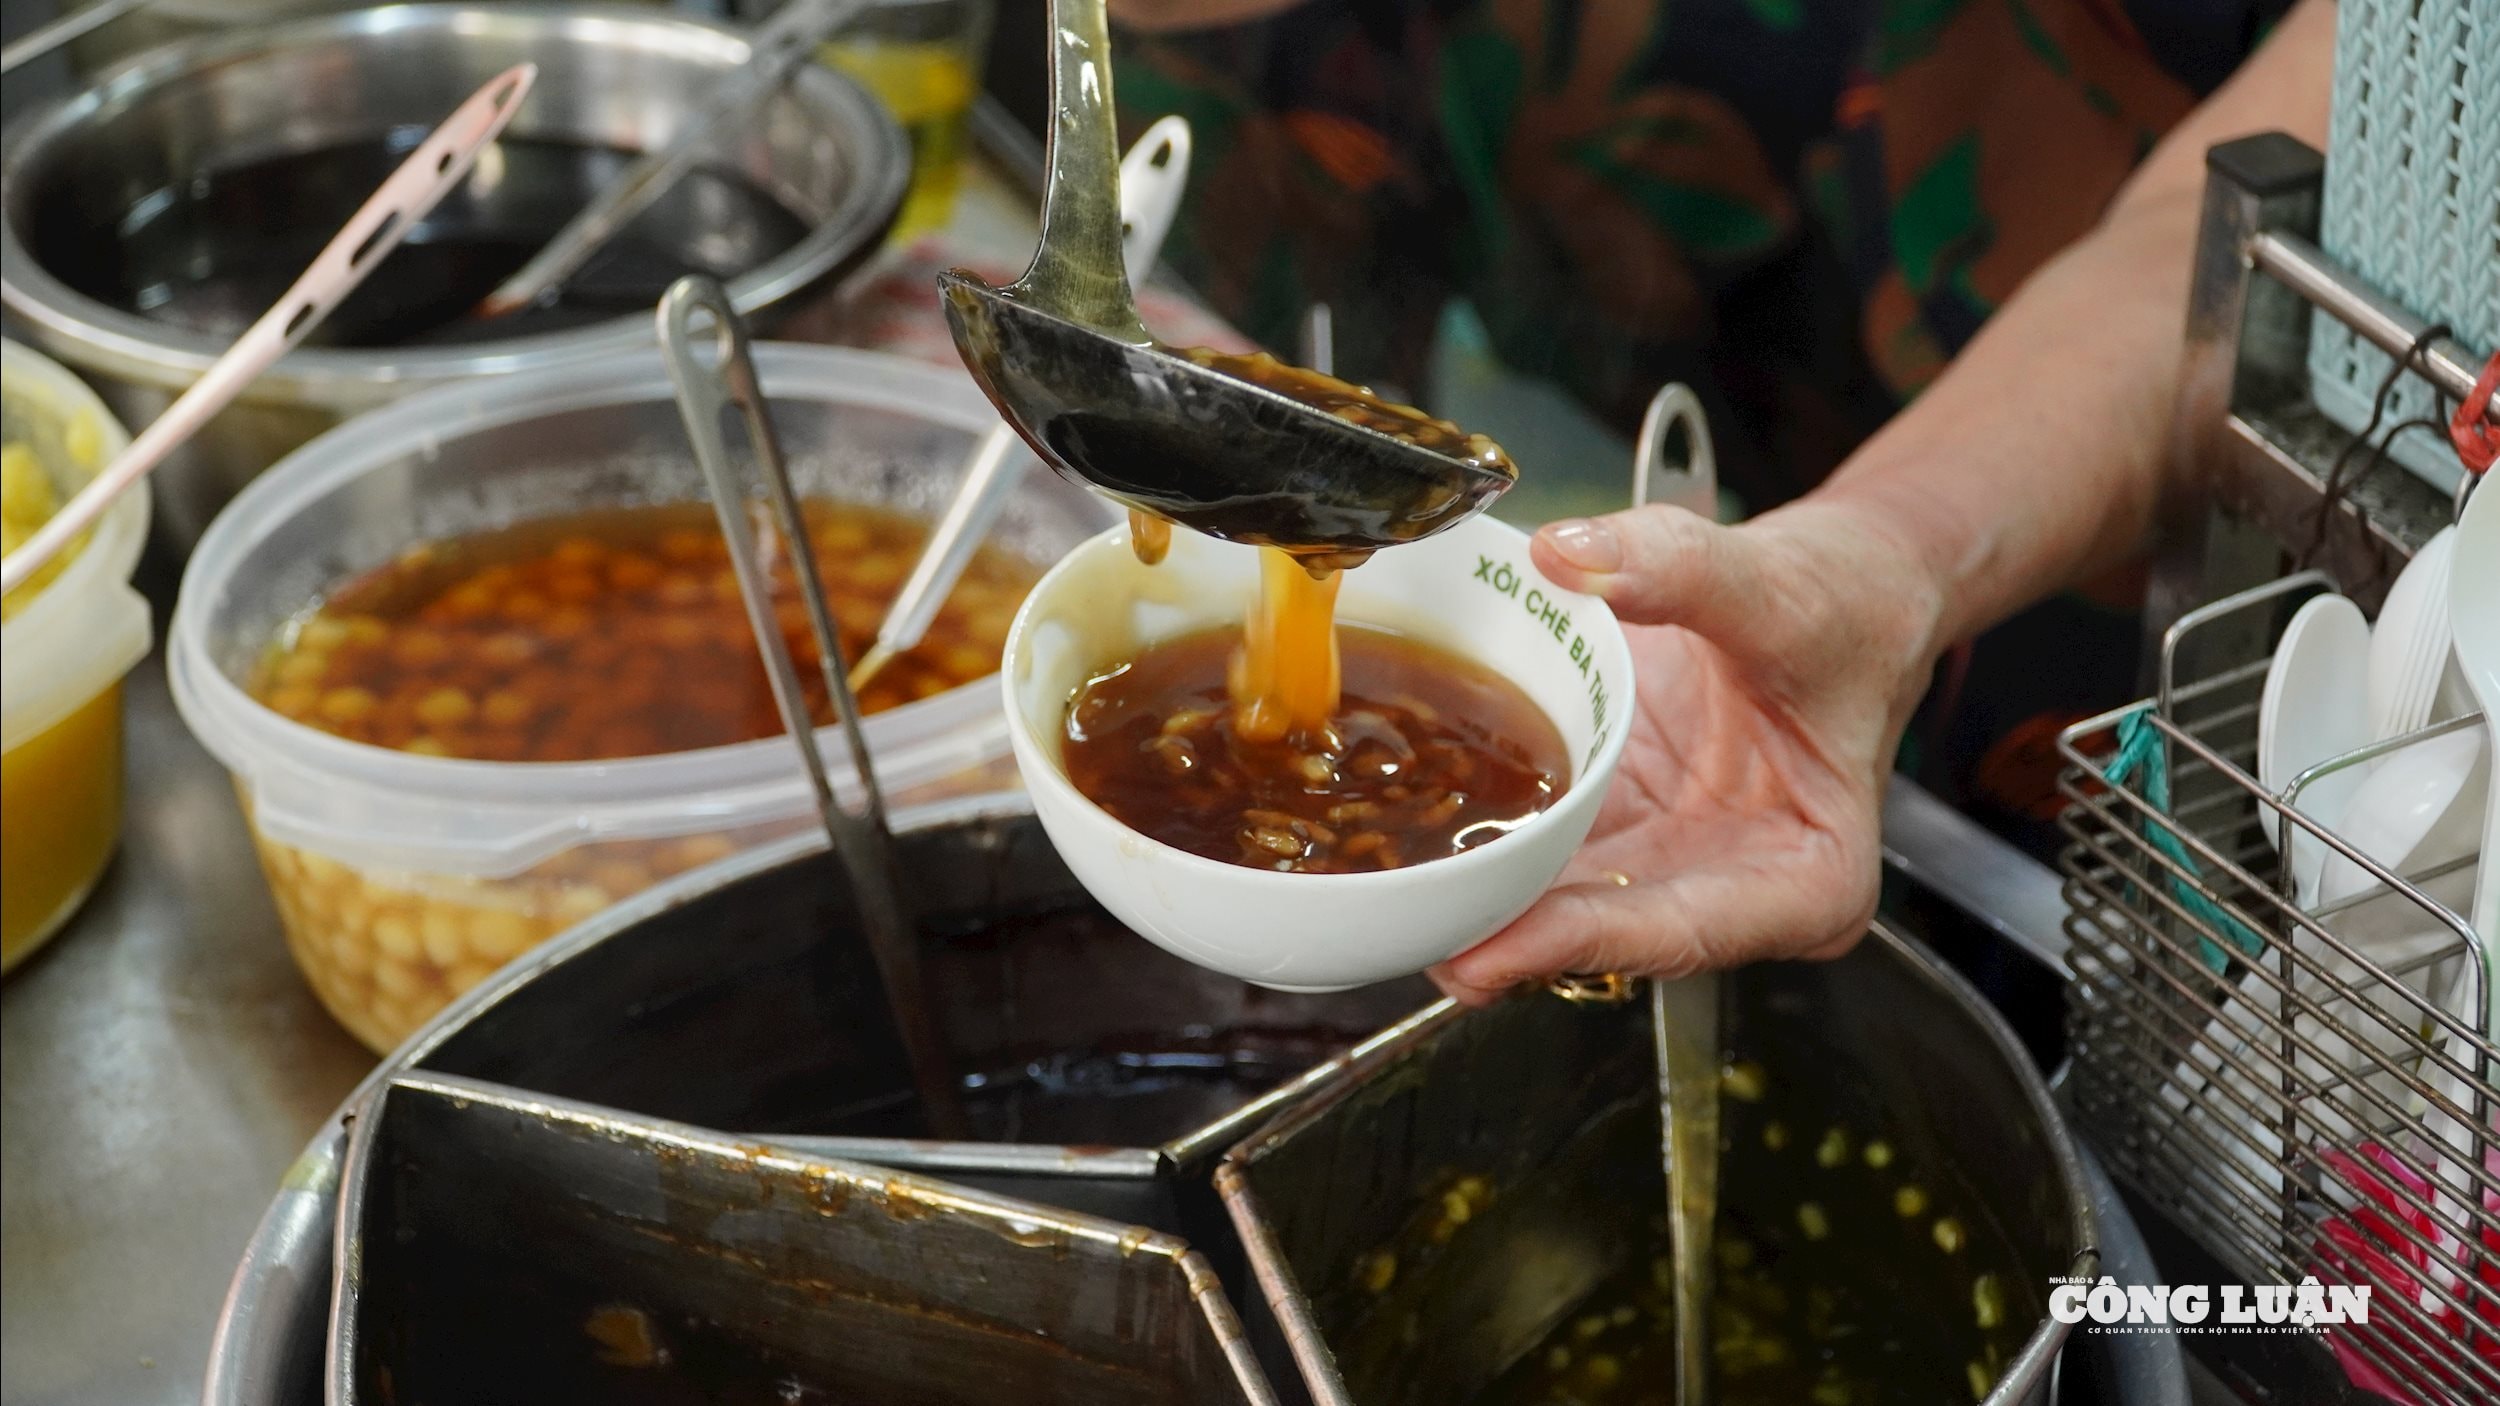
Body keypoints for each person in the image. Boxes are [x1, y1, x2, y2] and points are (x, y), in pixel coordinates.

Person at [1105, 0, 2337, 1000]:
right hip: (1428, 92)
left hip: (2027, 408)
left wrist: (1891, 552)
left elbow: (2240, 217)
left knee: (1982, 974)